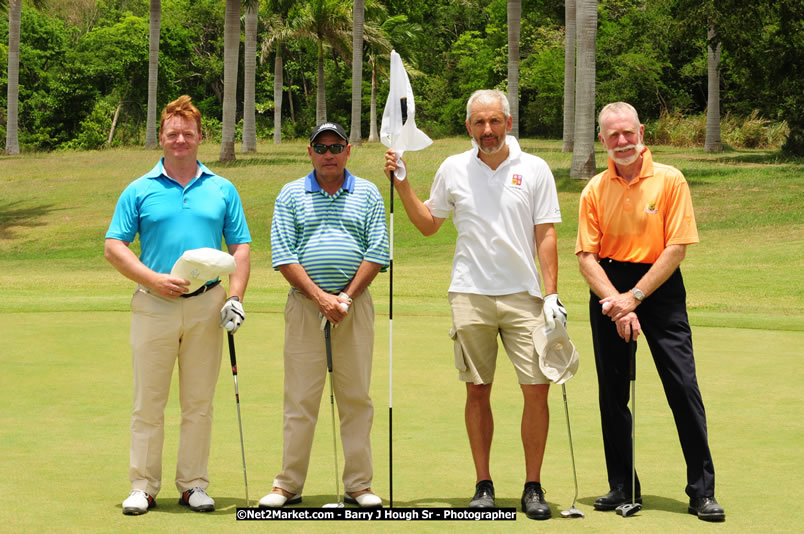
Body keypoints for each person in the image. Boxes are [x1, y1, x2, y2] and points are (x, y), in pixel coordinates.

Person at [384, 89, 564, 520]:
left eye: (494, 121)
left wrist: (551, 294)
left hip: (524, 297)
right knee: (477, 390)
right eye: (479, 123)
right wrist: (403, 184)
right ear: (469, 126)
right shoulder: (453, 168)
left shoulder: (535, 169)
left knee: (536, 389)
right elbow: (429, 224)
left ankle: (533, 485)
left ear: (508, 122)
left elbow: (546, 234)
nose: (487, 130)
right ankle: (483, 483)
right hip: (470, 294)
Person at [576, 102, 725, 522]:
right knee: (612, 394)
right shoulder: (594, 189)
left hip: (658, 287)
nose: (622, 141)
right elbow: (586, 257)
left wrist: (635, 298)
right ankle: (622, 485)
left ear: (641, 132)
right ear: (602, 140)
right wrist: (617, 303)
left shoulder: (670, 179)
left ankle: (702, 491)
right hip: (608, 288)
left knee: (682, 387)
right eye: (613, 135)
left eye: (628, 132)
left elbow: (676, 248)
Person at [105, 95, 252, 515]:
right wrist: (151, 278)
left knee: (199, 402)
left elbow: (240, 247)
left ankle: (193, 484)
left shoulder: (222, 188)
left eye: (188, 133)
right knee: (149, 402)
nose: (180, 140)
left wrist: (236, 297)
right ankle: (143, 487)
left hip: (207, 305)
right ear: (161, 138)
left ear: (200, 136)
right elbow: (114, 246)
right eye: (173, 133)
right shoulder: (140, 189)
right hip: (154, 304)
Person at [260, 122, 389, 509]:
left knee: (355, 398)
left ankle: (358, 485)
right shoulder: (291, 194)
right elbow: (284, 255)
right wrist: (320, 298)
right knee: (300, 398)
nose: (328, 154)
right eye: (321, 147)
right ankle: (288, 485)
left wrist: (344, 298)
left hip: (354, 306)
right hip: (305, 306)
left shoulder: (368, 192)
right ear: (310, 152)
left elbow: (377, 252)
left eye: (335, 147)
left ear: (348, 151)